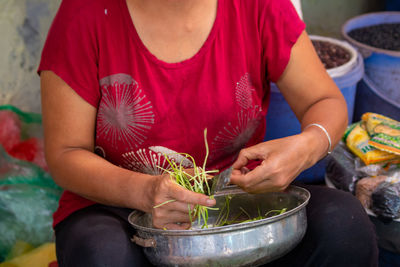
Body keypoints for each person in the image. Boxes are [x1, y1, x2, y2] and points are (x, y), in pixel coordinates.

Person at [38, 0, 378, 266]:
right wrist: (145, 193)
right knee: (102, 253)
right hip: (120, 208)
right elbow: (66, 153)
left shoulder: (258, 6)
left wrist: (307, 146)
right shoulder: (86, 15)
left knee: (343, 224)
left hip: (232, 200)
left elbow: (324, 100)